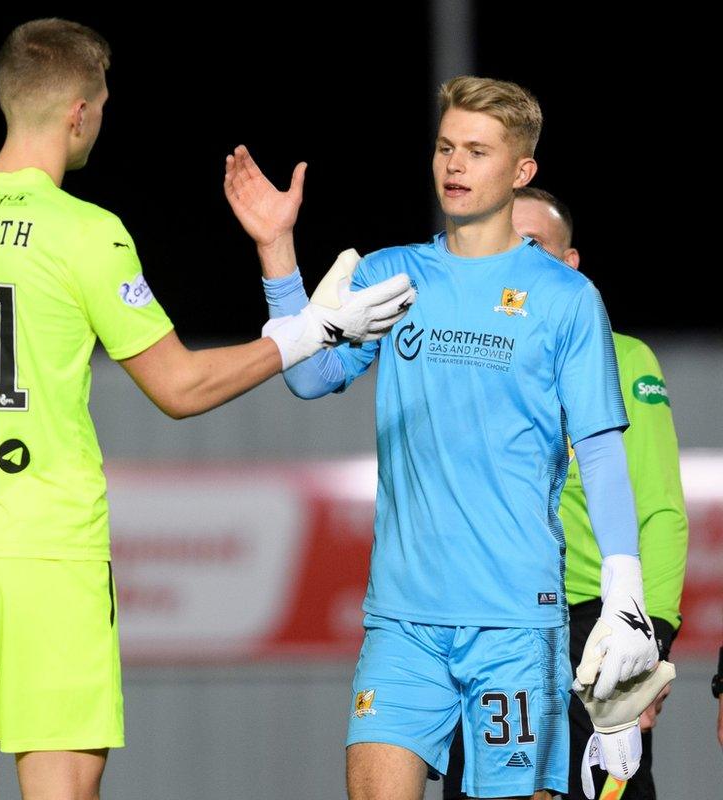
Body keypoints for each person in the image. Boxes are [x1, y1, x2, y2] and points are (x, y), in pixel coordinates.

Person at [0, 18, 413, 800]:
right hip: (49, 553)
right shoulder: (86, 233)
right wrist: (309, 333)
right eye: (105, 103)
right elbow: (179, 389)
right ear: (80, 112)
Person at [224, 77, 660, 800]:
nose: (454, 165)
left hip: (517, 622)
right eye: (445, 147)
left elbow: (604, 451)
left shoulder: (565, 298)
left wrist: (624, 594)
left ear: (521, 172)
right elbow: (309, 375)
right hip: (402, 621)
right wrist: (277, 250)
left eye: (478, 151)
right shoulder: (393, 272)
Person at [443, 187, 688, 800]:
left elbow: (658, 508)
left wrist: (649, 637)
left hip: (593, 628)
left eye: (534, 244)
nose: (518, 260)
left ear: (570, 263)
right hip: (485, 623)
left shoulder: (623, 359)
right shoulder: (462, 361)